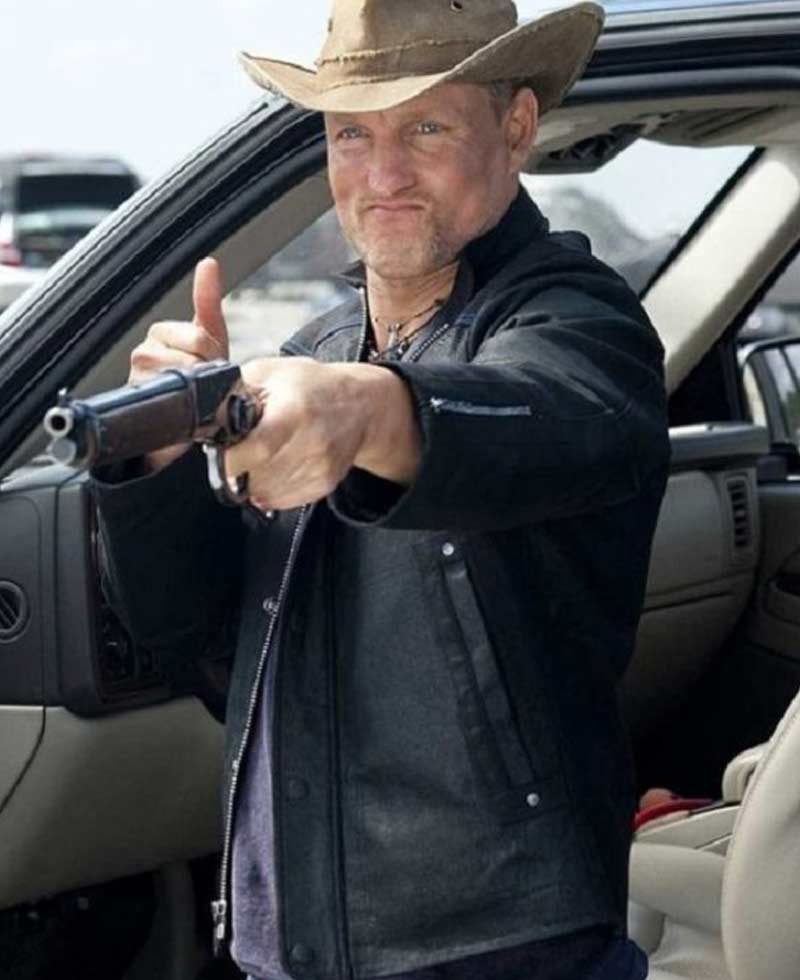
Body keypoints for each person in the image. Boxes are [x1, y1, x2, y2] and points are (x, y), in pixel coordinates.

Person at [94, 1, 671, 978]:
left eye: (427, 127)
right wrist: (156, 465)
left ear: (516, 127)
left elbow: (543, 410)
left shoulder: (581, 319)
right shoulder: (316, 346)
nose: (383, 173)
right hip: (286, 937)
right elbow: (202, 644)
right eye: (352, 135)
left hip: (498, 947)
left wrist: (369, 411)